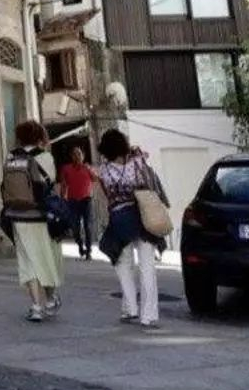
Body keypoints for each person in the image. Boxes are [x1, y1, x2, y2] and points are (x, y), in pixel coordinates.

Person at [97, 129, 169, 328]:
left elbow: (107, 195)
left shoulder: (103, 170)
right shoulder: (137, 162)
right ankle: (149, 315)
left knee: (123, 264)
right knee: (147, 267)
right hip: (143, 215)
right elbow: (151, 183)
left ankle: (130, 308)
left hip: (120, 218)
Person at [0, 120, 63, 322]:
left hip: (18, 215)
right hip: (40, 216)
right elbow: (51, 182)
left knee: (27, 260)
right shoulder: (45, 157)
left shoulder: (11, 158)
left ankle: (36, 306)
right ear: (39, 136)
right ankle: (51, 299)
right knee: (45, 257)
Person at [57, 142, 96, 260]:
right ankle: (80, 246)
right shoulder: (66, 168)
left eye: (79, 154)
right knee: (75, 226)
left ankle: (88, 251)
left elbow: (95, 179)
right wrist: (62, 199)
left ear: (83, 156)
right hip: (72, 201)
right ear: (71, 156)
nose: (77, 156)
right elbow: (63, 185)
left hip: (86, 199)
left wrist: (90, 169)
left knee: (88, 226)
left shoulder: (87, 168)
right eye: (74, 154)